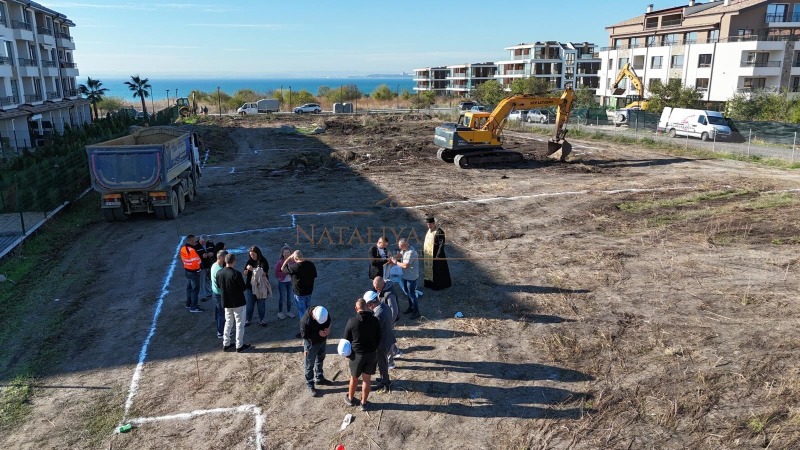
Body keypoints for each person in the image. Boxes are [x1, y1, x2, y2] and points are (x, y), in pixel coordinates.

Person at [343, 298, 382, 411]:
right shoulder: (375, 320)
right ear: (367, 307)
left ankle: (350, 398)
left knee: (354, 378)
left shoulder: (352, 321)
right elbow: (379, 337)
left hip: (356, 356)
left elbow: (345, 340)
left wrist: (348, 354)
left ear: (356, 309)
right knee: (367, 379)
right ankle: (364, 403)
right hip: (370, 355)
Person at [216, 253, 251, 352]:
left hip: (226, 302)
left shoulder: (219, 273)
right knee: (240, 324)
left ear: (225, 261)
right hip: (238, 302)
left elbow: (219, 286)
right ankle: (239, 345)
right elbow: (243, 288)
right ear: (234, 261)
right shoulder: (236, 273)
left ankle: (226, 343)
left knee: (228, 323)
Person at [364, 291, 395, 393]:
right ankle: (383, 378)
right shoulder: (385, 306)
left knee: (382, 363)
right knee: (383, 362)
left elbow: (374, 331)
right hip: (388, 337)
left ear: (371, 304)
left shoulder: (379, 314)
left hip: (382, 343)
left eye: (368, 306)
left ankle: (385, 382)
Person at [301, 306, 331, 397]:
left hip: (322, 341)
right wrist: (318, 334)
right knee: (309, 364)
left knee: (320, 358)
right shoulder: (305, 321)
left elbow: (328, 321)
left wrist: (327, 329)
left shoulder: (324, 313)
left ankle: (319, 377)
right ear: (314, 317)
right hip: (311, 344)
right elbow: (305, 336)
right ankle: (310, 384)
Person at [373, 276, 402, 367]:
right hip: (387, 318)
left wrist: (389, 323)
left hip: (389, 320)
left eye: (377, 287)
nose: (376, 289)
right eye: (374, 287)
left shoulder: (389, 294)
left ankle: (390, 362)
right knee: (389, 337)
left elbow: (394, 310)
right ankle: (396, 351)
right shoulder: (382, 289)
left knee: (387, 340)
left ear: (382, 284)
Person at [281, 250, 317, 318]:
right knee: (308, 312)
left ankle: (304, 327)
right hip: (309, 292)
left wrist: (288, 258)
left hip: (299, 294)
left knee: (302, 314)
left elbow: (282, 268)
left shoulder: (294, 267)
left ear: (294, 258)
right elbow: (314, 276)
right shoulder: (311, 264)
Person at [392, 238, 421, 319]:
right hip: (406, 276)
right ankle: (411, 308)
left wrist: (395, 262)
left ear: (406, 245)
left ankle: (416, 312)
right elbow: (400, 254)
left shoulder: (411, 252)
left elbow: (405, 265)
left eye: (401, 246)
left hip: (411, 277)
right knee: (408, 293)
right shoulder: (405, 249)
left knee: (412, 294)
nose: (400, 248)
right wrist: (393, 257)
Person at [243, 246, 270, 327]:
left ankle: (262, 319)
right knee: (250, 304)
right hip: (250, 287)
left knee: (261, 304)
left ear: (258, 253)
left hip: (261, 286)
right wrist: (247, 271)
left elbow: (263, 273)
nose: (252, 256)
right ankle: (248, 319)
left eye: (254, 254)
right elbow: (244, 273)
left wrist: (252, 270)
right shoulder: (249, 261)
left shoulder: (263, 261)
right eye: (251, 255)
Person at [423, 216, 452, 290]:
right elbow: (426, 242)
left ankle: (438, 286)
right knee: (430, 270)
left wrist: (438, 256)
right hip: (429, 255)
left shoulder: (439, 232)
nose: (429, 226)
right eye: (428, 224)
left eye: (431, 224)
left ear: (434, 223)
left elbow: (441, 244)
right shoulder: (429, 231)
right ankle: (429, 284)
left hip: (437, 255)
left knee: (438, 271)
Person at [179, 235, 204, 313]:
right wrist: (199, 269)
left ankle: (188, 304)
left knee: (189, 288)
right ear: (191, 241)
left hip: (187, 271)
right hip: (194, 272)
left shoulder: (183, 249)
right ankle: (194, 307)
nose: (195, 242)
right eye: (194, 240)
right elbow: (195, 263)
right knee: (195, 290)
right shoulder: (192, 251)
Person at [210, 249, 229, 339]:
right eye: (225, 257)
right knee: (222, 314)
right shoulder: (220, 270)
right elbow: (221, 285)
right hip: (220, 294)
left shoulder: (214, 265)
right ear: (221, 257)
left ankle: (219, 328)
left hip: (215, 293)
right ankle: (220, 332)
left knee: (218, 312)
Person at [274, 245, 295, 320]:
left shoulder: (292, 261)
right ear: (282, 253)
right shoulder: (280, 262)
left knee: (289, 298)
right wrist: (286, 272)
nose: (286, 254)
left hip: (290, 282)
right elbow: (276, 273)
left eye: (288, 252)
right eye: (285, 253)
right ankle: (280, 312)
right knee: (282, 297)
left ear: (290, 253)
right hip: (282, 282)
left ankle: (288, 311)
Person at [195, 235, 216, 301]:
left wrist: (212, 253)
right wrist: (201, 256)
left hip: (209, 264)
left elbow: (214, 250)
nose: (203, 243)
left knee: (208, 279)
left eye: (204, 242)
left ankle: (208, 292)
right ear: (199, 240)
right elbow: (194, 256)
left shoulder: (210, 243)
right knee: (201, 281)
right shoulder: (196, 245)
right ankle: (202, 296)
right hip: (201, 266)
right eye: (202, 242)